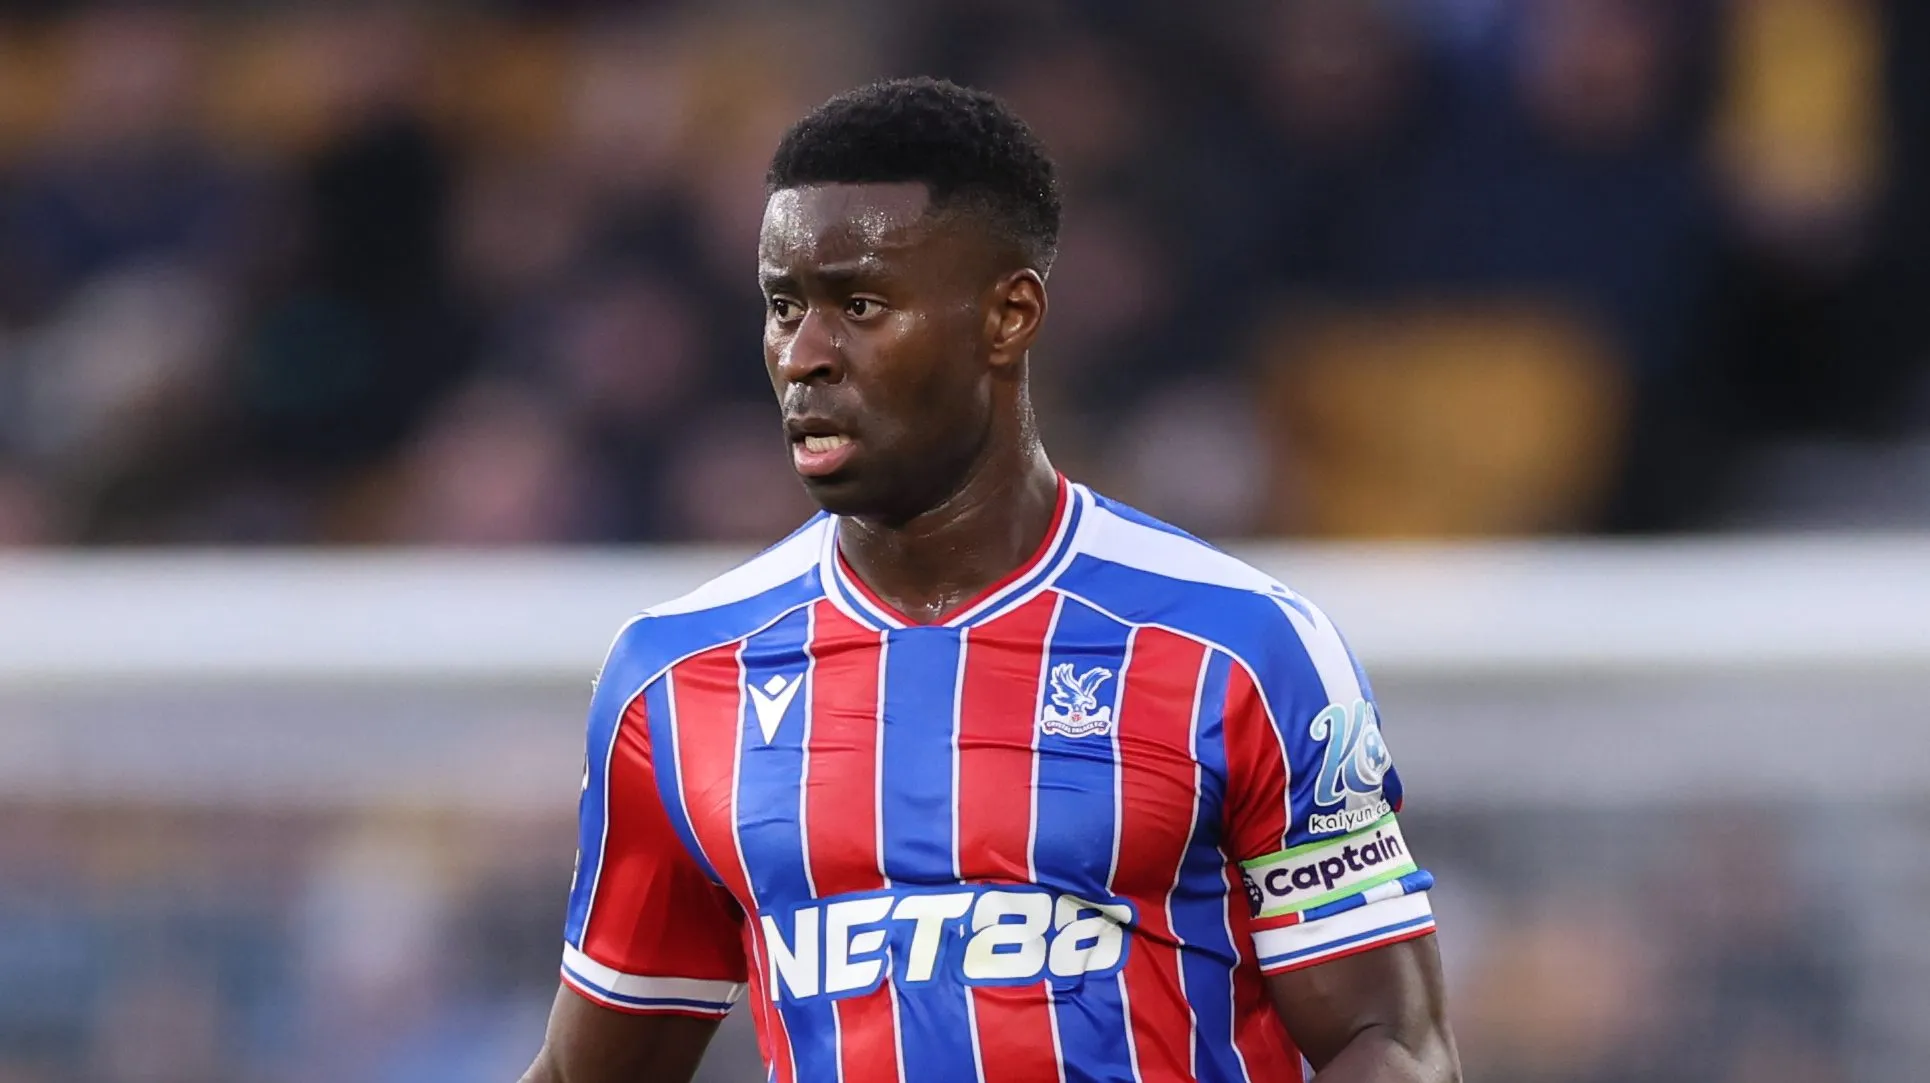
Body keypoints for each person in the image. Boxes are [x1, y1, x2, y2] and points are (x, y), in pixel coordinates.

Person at [520, 77, 1459, 1083]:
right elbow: (591, 1071)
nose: (804, 355)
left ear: (1008, 316)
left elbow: (1389, 1041)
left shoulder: (1239, 649)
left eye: (860, 304)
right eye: (784, 307)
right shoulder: (678, 675)